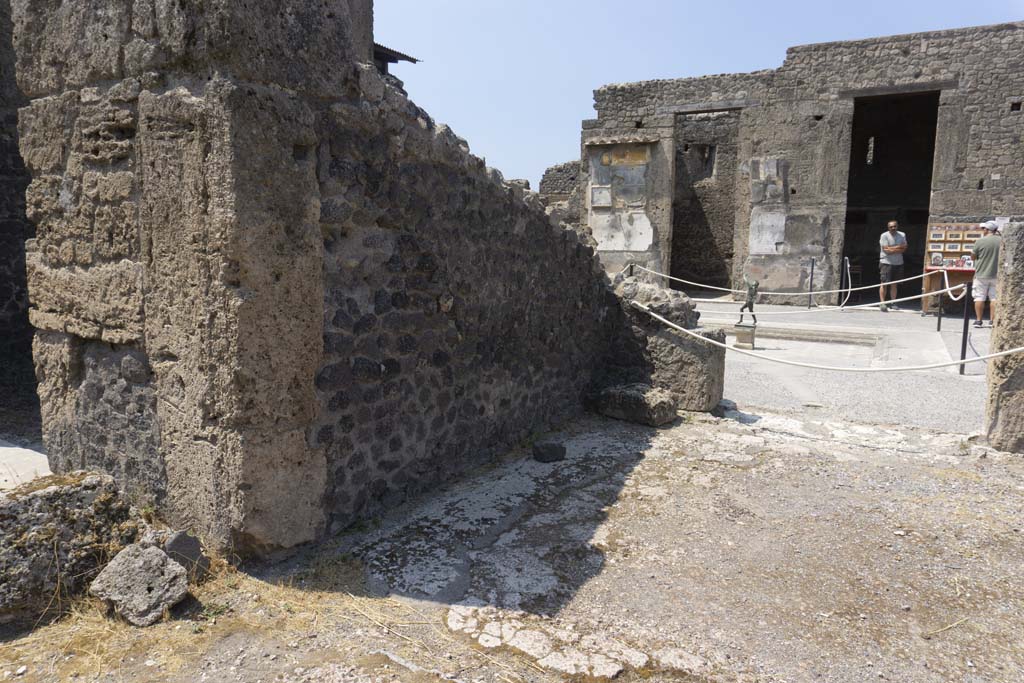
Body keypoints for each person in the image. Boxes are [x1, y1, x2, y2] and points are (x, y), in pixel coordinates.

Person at [970, 220, 1001, 327]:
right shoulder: (1002, 241)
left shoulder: (980, 241)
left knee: (979, 297)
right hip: (997, 274)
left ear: (987, 230)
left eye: (984, 229)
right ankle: (992, 321)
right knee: (994, 298)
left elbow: (973, 257)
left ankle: (979, 320)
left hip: (981, 273)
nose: (983, 230)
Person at [878, 220, 908, 312]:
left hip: (898, 262)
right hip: (886, 262)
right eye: (891, 227)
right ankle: (882, 303)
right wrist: (899, 247)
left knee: (894, 284)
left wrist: (892, 248)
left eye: (894, 226)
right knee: (884, 283)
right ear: (888, 227)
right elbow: (886, 250)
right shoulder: (884, 235)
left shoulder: (902, 235)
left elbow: (905, 248)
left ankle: (893, 302)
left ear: (897, 226)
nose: (893, 228)